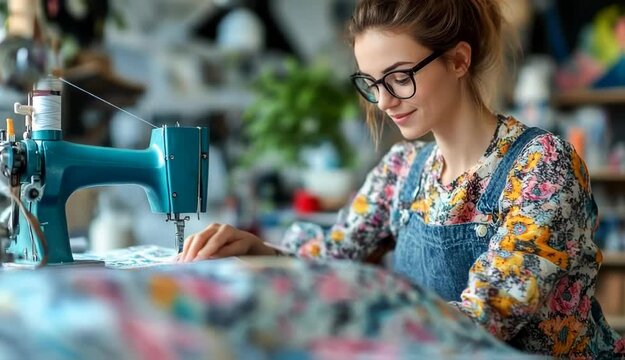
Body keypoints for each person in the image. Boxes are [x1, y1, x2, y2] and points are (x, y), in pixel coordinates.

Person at [178, 0, 624, 357]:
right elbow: (335, 253)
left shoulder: (540, 165)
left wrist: (351, 316)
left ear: (457, 60)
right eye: (372, 83)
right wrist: (258, 251)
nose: (385, 101)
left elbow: (489, 317)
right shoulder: (403, 168)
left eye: (399, 77)